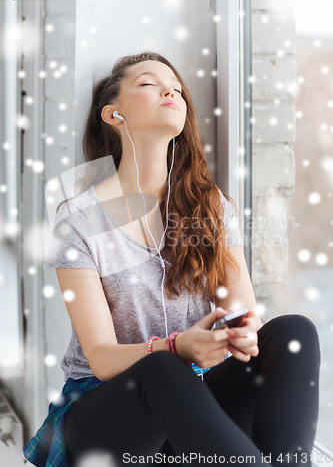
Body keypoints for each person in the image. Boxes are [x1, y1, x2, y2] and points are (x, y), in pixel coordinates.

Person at [23, 52, 321, 467]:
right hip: (114, 412)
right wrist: (178, 347)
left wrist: (243, 334)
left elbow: (244, 314)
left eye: (177, 88)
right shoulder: (78, 219)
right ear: (113, 114)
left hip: (197, 407)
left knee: (293, 332)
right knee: (164, 367)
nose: (170, 91)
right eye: (148, 83)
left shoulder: (212, 207)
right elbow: (103, 357)